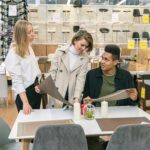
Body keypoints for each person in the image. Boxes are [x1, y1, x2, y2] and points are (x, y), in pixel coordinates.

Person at [83, 44, 138, 150]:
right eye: (102, 58)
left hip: (119, 117)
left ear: (115, 62)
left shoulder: (125, 76)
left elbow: (132, 105)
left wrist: (134, 99)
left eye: (106, 59)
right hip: (97, 115)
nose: (102, 62)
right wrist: (86, 101)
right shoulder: (91, 75)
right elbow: (85, 97)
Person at [35, 30, 93, 106]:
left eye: (86, 46)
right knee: (56, 115)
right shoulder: (60, 52)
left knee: (71, 116)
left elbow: (81, 78)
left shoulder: (85, 57)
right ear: (75, 40)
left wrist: (77, 97)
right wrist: (44, 85)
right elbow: (53, 72)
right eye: (82, 45)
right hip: (58, 91)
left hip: (72, 93)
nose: (84, 48)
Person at [5, 20, 41, 114]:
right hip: (25, 94)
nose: (33, 34)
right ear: (21, 35)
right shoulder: (14, 53)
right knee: (27, 125)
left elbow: (33, 71)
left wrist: (38, 84)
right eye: (29, 32)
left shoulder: (29, 47)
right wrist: (25, 102)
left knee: (35, 123)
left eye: (32, 31)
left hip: (35, 91)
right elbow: (17, 80)